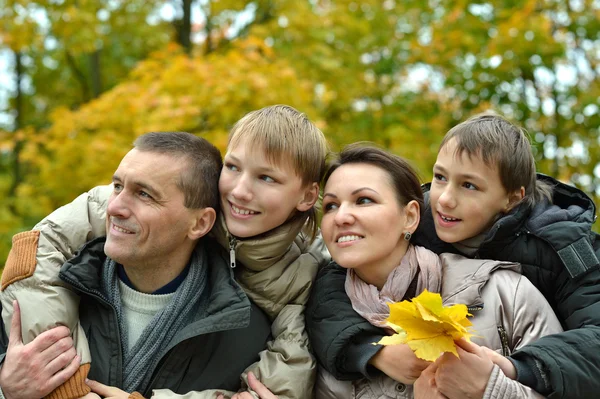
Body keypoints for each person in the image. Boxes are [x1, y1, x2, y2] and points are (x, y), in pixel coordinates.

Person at [0, 105, 329, 399]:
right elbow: (41, 241)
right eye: (232, 167)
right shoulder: (72, 275)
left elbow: (284, 379)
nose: (240, 191)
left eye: (267, 178)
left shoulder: (301, 281)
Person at [306, 113, 600, 398]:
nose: (445, 198)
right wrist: (375, 351)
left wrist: (515, 369)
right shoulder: (421, 217)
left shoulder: (562, 246)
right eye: (440, 177)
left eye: (469, 185)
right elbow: (335, 283)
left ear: (512, 199)